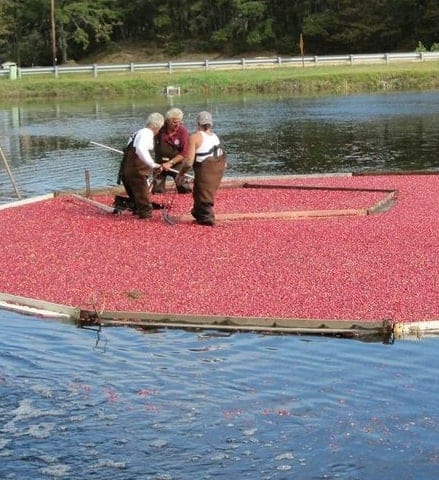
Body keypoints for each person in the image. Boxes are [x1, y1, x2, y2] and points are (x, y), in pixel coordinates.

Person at [177, 111, 227, 226]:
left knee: (203, 195)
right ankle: (197, 212)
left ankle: (207, 219)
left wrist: (180, 175)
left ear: (198, 123)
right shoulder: (216, 137)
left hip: (206, 169)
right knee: (199, 192)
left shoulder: (194, 137)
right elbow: (224, 159)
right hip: (218, 169)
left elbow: (188, 162)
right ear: (211, 124)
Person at [119, 112, 164, 219]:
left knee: (136, 197)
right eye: (160, 128)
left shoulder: (138, 132)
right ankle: (145, 218)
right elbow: (140, 149)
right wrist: (152, 164)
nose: (159, 132)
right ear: (156, 126)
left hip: (127, 169)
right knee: (143, 197)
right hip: (137, 170)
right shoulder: (147, 133)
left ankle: (138, 213)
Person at [153, 107, 192, 194]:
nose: (177, 125)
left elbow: (184, 152)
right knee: (157, 188)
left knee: (184, 186)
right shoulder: (160, 129)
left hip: (177, 163)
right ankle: (158, 202)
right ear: (168, 121)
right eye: (174, 122)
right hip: (160, 162)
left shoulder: (183, 131)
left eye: (179, 122)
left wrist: (170, 163)